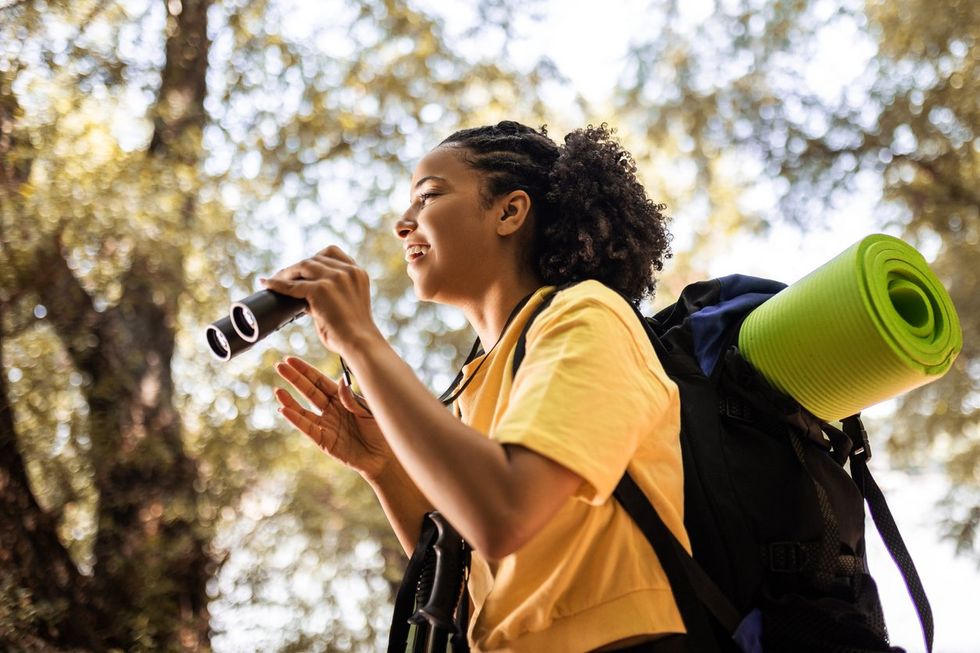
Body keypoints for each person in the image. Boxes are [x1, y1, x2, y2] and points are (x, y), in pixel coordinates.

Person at [262, 121, 688, 652]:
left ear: (509, 212)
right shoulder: (480, 377)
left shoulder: (588, 315)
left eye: (429, 196)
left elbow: (503, 514)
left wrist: (362, 341)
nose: (403, 222)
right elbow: (471, 572)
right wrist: (383, 467)